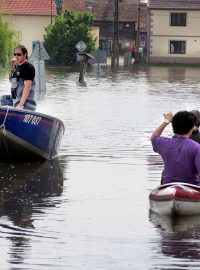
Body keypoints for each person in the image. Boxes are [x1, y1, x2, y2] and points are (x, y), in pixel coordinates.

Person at [150, 111, 200, 186]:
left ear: (173, 126)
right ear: (192, 128)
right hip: (191, 186)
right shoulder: (197, 147)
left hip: (167, 186)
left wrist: (166, 121)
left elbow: (153, 137)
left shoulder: (164, 143)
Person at [10, 44, 36, 111]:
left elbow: (27, 87)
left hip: (25, 106)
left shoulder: (28, 67)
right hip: (15, 102)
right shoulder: (17, 67)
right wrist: (12, 69)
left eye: (19, 54)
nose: (16, 56)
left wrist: (21, 104)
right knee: (3, 99)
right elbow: (12, 83)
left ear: (25, 54)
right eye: (15, 54)